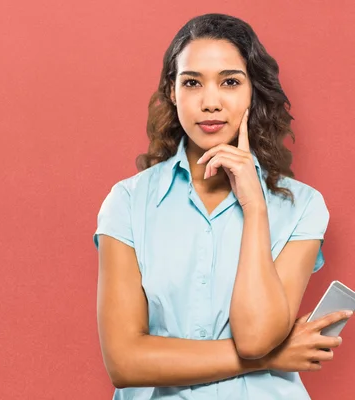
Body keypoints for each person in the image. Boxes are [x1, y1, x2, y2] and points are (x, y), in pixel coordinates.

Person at [92, 13, 351, 399]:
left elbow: (256, 337)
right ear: (173, 91)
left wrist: (255, 207)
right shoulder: (128, 202)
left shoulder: (303, 207)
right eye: (192, 82)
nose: (210, 102)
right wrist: (270, 360)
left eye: (230, 82)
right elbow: (125, 362)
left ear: (253, 92)